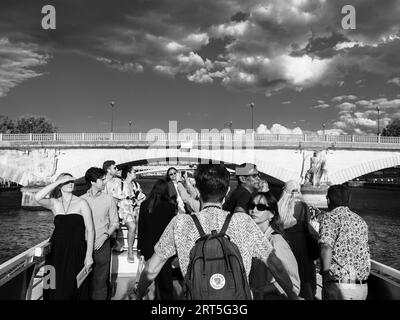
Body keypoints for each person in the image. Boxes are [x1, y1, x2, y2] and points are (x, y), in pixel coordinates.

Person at [134, 164, 300, 300]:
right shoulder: (243, 222)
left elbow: (152, 268)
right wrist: (292, 295)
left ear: (198, 189)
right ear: (227, 190)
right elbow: (275, 265)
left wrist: (139, 293)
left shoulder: (181, 223)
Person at [34, 173, 94, 300]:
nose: (70, 183)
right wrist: (58, 182)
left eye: (72, 181)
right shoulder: (54, 203)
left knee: (72, 288)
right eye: (66, 182)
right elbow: (37, 197)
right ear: (60, 185)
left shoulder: (82, 202)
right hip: (56, 252)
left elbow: (90, 230)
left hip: (76, 251)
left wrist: (89, 256)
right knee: (52, 287)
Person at [320, 184, 370, 300]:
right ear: (349, 200)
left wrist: (325, 276)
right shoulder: (360, 220)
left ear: (328, 200)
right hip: (361, 288)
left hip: (340, 287)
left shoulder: (330, 217)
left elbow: (326, 247)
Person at [249, 192, 300, 299]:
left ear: (271, 214)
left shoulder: (276, 242)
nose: (254, 210)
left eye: (260, 207)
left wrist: (262, 290)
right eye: (251, 205)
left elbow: (293, 284)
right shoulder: (252, 238)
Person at [80, 167, 119, 300]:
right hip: (83, 244)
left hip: (103, 244)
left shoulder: (109, 199)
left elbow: (115, 223)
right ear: (92, 181)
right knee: (84, 280)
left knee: (100, 281)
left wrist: (105, 236)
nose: (104, 182)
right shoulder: (80, 200)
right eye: (101, 180)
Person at [277, 180, 318, 300]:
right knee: (304, 274)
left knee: (288, 271)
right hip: (301, 243)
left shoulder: (279, 206)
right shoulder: (302, 206)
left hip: (284, 241)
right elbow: (306, 225)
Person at [137, 179, 177, 299]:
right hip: (164, 247)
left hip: (148, 246)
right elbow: (172, 230)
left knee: (148, 277)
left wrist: (140, 249)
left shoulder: (144, 205)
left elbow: (141, 228)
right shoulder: (171, 207)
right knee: (165, 280)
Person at [116, 165, 146, 263]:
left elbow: (142, 198)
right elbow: (114, 200)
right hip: (123, 209)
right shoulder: (120, 185)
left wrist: (138, 203)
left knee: (142, 222)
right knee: (132, 227)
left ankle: (141, 248)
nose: (135, 173)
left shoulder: (136, 185)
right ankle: (130, 252)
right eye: (134, 172)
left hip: (134, 208)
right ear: (128, 173)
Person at [102, 160, 124, 252]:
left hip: (116, 209)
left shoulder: (119, 181)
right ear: (108, 170)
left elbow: (121, 196)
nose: (117, 169)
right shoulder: (101, 182)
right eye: (114, 168)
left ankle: (113, 243)